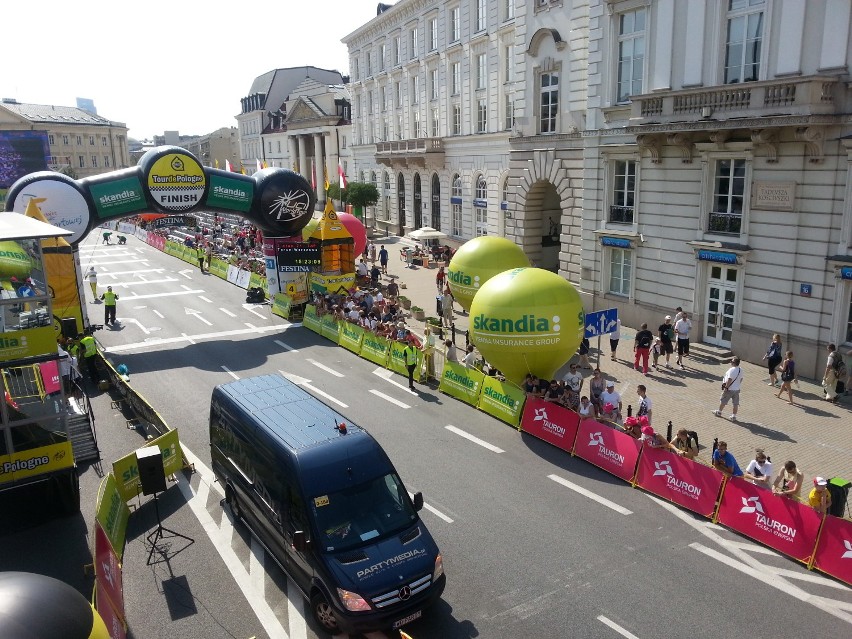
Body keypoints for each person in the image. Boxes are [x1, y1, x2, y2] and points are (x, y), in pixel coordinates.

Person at [713, 356, 743, 421]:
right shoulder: (741, 370)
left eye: (731, 361)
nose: (730, 362)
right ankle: (734, 416)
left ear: (734, 363)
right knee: (735, 403)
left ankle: (719, 412)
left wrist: (726, 387)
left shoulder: (732, 370)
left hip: (730, 389)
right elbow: (741, 379)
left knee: (723, 401)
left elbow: (729, 379)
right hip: (737, 389)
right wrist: (737, 385)